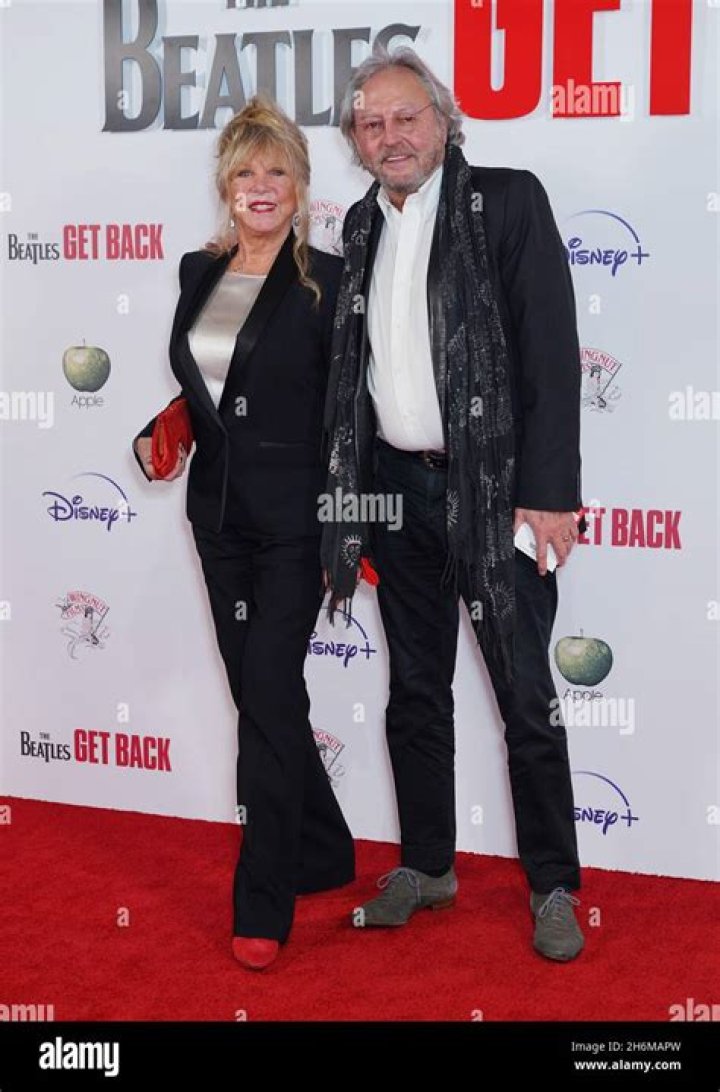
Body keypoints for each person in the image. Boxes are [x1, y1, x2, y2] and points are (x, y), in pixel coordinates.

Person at [321, 47, 585, 961]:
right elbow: (352, 379)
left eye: (407, 117)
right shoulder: (360, 225)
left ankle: (555, 884)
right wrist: (350, 508)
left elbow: (550, 350)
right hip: (396, 493)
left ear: (443, 121)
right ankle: (429, 866)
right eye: (372, 123)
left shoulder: (505, 202)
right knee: (414, 693)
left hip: (498, 493)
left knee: (526, 697)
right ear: (356, 140)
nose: (391, 136)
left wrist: (549, 494)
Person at [133, 96, 355, 971]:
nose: (260, 186)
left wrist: (352, 527)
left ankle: (263, 901)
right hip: (218, 521)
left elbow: (346, 415)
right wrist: (168, 425)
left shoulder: (329, 281)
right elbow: (211, 385)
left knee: (264, 694)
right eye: (244, 172)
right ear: (226, 185)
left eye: (277, 171)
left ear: (300, 186)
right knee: (265, 696)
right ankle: (325, 848)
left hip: (297, 527)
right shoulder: (199, 270)